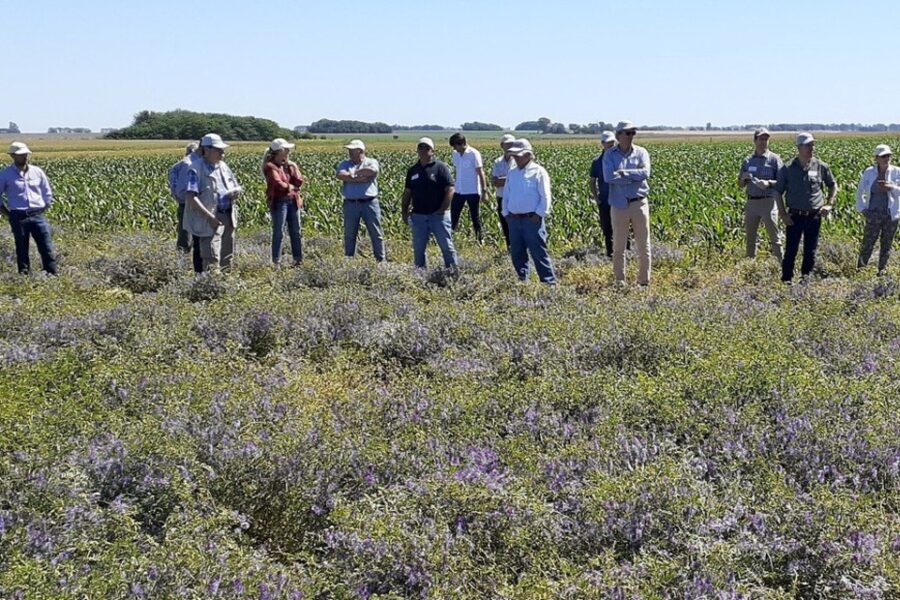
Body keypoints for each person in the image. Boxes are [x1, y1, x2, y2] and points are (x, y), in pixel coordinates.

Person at [774, 132, 838, 284]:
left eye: (812, 145)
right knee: (791, 251)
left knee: (811, 251)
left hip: (814, 216)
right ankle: (786, 281)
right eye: (808, 145)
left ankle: (805, 281)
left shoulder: (821, 166)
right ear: (799, 147)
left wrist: (829, 203)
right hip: (794, 216)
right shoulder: (788, 168)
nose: (811, 148)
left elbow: (833, 185)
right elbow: (777, 192)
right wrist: (783, 214)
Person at [183, 133, 242, 273]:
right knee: (211, 256)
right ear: (207, 150)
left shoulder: (223, 166)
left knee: (227, 254)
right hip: (209, 218)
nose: (223, 153)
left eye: (223, 150)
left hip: (227, 214)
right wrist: (210, 217)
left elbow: (233, 184)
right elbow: (192, 197)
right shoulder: (195, 169)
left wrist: (235, 193)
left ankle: (226, 282)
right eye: (219, 150)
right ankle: (212, 285)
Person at [603, 121, 652, 287]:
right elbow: (609, 177)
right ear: (618, 136)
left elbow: (645, 173)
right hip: (618, 205)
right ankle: (620, 281)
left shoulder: (641, 152)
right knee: (618, 246)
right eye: (627, 133)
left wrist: (624, 173)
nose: (631, 136)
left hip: (639, 203)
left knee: (643, 245)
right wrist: (634, 176)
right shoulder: (610, 155)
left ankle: (643, 282)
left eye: (633, 133)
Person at [501, 138, 556, 284]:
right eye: (514, 155)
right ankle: (523, 280)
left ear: (528, 155)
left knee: (539, 253)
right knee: (517, 253)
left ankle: (549, 283)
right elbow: (506, 194)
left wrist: (539, 214)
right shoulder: (512, 172)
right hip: (513, 219)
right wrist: (506, 213)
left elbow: (545, 196)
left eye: (518, 155)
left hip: (532, 219)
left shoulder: (538, 171)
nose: (515, 158)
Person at [0, 142, 58, 275]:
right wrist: (7, 213)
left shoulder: (37, 172)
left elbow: (46, 191)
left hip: (38, 215)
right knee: (22, 249)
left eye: (25, 154)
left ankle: (52, 275)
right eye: (20, 155)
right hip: (18, 216)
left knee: (47, 248)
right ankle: (24, 277)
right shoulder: (5, 175)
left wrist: (45, 206)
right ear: (13, 156)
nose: (24, 157)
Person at [401, 137, 459, 269]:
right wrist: (404, 211)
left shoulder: (440, 168)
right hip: (418, 216)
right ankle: (420, 276)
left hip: (438, 216)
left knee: (447, 247)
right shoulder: (413, 170)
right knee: (419, 250)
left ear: (433, 151)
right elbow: (407, 193)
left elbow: (450, 189)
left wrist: (442, 209)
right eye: (420, 147)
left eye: (427, 148)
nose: (423, 150)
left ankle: (453, 274)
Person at [738, 127, 784, 261]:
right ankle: (749, 268)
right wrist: (743, 178)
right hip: (752, 203)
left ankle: (782, 267)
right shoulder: (748, 161)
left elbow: (783, 182)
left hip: (769, 202)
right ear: (755, 140)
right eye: (761, 139)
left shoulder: (774, 159)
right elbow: (740, 185)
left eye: (766, 139)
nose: (763, 141)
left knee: (775, 238)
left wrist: (768, 183)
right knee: (750, 239)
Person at [335, 140, 386, 262]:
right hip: (351, 204)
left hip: (370, 203)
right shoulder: (345, 163)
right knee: (349, 235)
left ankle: (381, 261)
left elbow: (372, 171)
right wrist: (358, 178)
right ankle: (349, 260)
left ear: (360, 151)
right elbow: (340, 175)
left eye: (352, 150)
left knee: (376, 233)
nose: (349, 152)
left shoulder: (371, 161)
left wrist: (352, 174)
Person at [855, 144, 900, 275]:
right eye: (883, 156)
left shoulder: (897, 172)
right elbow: (859, 193)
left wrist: (891, 188)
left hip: (890, 214)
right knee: (867, 244)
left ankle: (882, 272)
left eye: (888, 156)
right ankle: (860, 271)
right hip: (873, 214)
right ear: (876, 158)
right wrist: (863, 209)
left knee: (886, 245)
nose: (886, 158)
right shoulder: (869, 172)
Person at [262, 138, 304, 266]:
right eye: (286, 150)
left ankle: (298, 259)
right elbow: (278, 184)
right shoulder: (270, 166)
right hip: (279, 202)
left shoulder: (288, 165)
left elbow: (299, 181)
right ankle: (276, 261)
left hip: (293, 201)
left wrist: (292, 167)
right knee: (279, 232)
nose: (288, 152)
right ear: (279, 151)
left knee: (296, 231)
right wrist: (290, 187)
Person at [449, 133, 487, 243]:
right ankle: (451, 238)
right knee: (454, 215)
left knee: (475, 216)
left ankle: (480, 239)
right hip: (459, 190)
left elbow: (481, 173)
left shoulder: (474, 154)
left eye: (455, 146)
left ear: (461, 144)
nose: (454, 149)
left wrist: (484, 191)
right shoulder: (455, 154)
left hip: (473, 191)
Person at [168, 142, 199, 254]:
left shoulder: (176, 166)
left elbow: (174, 187)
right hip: (194, 202)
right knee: (195, 235)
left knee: (184, 232)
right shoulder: (192, 165)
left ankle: (181, 260)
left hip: (182, 203)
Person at [589, 131, 617, 257]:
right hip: (605, 200)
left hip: (619, 199)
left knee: (622, 229)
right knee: (607, 229)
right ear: (602, 144)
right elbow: (592, 181)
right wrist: (596, 198)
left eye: (612, 142)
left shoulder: (620, 159)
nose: (610, 145)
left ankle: (626, 253)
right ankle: (610, 254)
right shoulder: (597, 162)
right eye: (608, 142)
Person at [491, 134, 516, 247]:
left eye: (512, 143)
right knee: (505, 224)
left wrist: (504, 179)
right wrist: (510, 179)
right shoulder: (497, 162)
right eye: (507, 144)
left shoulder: (518, 161)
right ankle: (509, 248)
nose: (510, 146)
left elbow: (518, 180)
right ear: (502, 145)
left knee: (516, 224)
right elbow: (495, 182)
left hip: (515, 197)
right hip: (501, 197)